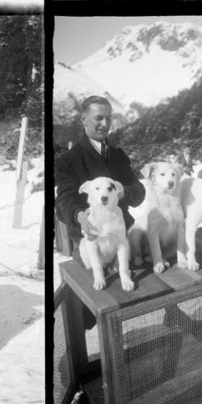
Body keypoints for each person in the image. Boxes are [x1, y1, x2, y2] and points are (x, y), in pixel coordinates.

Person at [55, 95, 146, 275]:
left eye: (109, 118)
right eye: (99, 118)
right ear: (84, 120)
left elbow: (139, 192)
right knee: (97, 294)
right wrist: (80, 216)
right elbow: (63, 202)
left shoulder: (118, 156)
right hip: (90, 240)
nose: (105, 124)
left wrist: (120, 193)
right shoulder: (69, 160)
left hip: (122, 236)